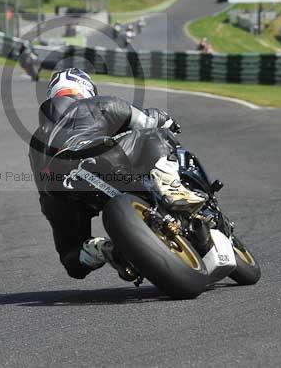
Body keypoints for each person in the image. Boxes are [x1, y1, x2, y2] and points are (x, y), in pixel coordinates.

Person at [28, 68, 205, 281]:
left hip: (58, 188)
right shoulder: (97, 104)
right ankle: (171, 186)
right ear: (86, 89)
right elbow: (148, 120)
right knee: (154, 133)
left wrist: (56, 209)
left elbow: (43, 185)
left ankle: (100, 249)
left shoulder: (37, 139)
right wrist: (166, 121)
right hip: (101, 158)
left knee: (71, 259)